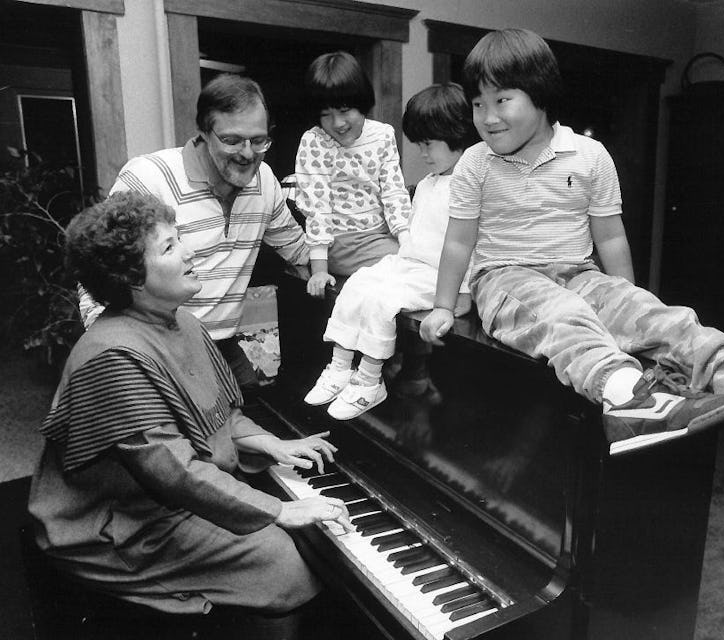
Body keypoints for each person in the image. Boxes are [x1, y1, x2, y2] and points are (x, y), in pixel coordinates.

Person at [419, 28, 724, 465]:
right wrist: (444, 305)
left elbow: (610, 236)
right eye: (478, 104)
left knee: (665, 320)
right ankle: (630, 400)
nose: (487, 116)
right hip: (505, 277)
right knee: (560, 317)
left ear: (540, 95)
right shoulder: (474, 163)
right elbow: (459, 240)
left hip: (580, 272)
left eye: (502, 100)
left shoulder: (590, 155)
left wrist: (628, 303)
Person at [29, 191, 353, 628]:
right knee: (288, 566)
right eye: (168, 247)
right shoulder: (112, 355)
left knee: (302, 549)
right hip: (122, 526)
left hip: (167, 501)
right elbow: (173, 470)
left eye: (179, 237)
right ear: (131, 278)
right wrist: (281, 510)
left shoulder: (185, 321)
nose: (189, 250)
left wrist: (273, 445)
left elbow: (221, 415)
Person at [80, 73, 308, 389]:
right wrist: (113, 355)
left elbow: (300, 250)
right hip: (156, 348)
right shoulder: (149, 177)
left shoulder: (265, 181)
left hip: (222, 347)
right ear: (203, 131)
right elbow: (101, 266)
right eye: (231, 140)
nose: (247, 154)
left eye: (258, 141)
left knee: (249, 421)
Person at [303, 83, 475, 420]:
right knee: (359, 282)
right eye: (418, 144)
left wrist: (463, 292)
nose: (422, 153)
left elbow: (475, 244)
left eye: (428, 144)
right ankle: (340, 367)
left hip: (442, 278)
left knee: (384, 301)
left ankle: (370, 380)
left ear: (456, 134)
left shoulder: (472, 183)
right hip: (410, 265)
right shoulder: (428, 183)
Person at [294, 51, 411, 297]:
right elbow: (317, 206)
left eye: (345, 110)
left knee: (421, 259)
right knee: (413, 269)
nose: (337, 123)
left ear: (362, 103)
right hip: (340, 244)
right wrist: (319, 270)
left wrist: (408, 242)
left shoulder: (383, 135)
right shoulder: (314, 141)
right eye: (326, 114)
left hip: (381, 236)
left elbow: (394, 192)